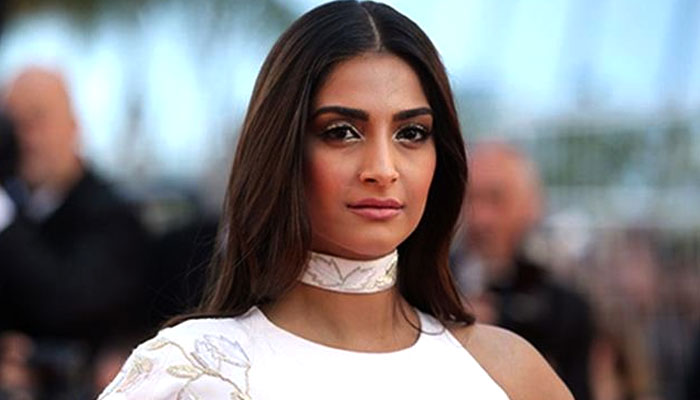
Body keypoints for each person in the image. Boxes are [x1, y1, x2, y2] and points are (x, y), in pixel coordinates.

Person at [99, 2, 573, 399]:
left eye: (411, 133)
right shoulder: (189, 372)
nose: (383, 168)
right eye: (342, 132)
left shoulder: (507, 374)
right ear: (282, 150)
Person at [0, 67, 152, 396]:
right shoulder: (16, 209)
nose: (25, 138)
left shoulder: (111, 216)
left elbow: (69, 302)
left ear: (74, 126)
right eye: (14, 124)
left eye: (38, 118)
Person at [452, 142, 594, 400]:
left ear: (531, 205)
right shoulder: (423, 287)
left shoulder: (564, 309)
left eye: (496, 199)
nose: (481, 218)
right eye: (470, 199)